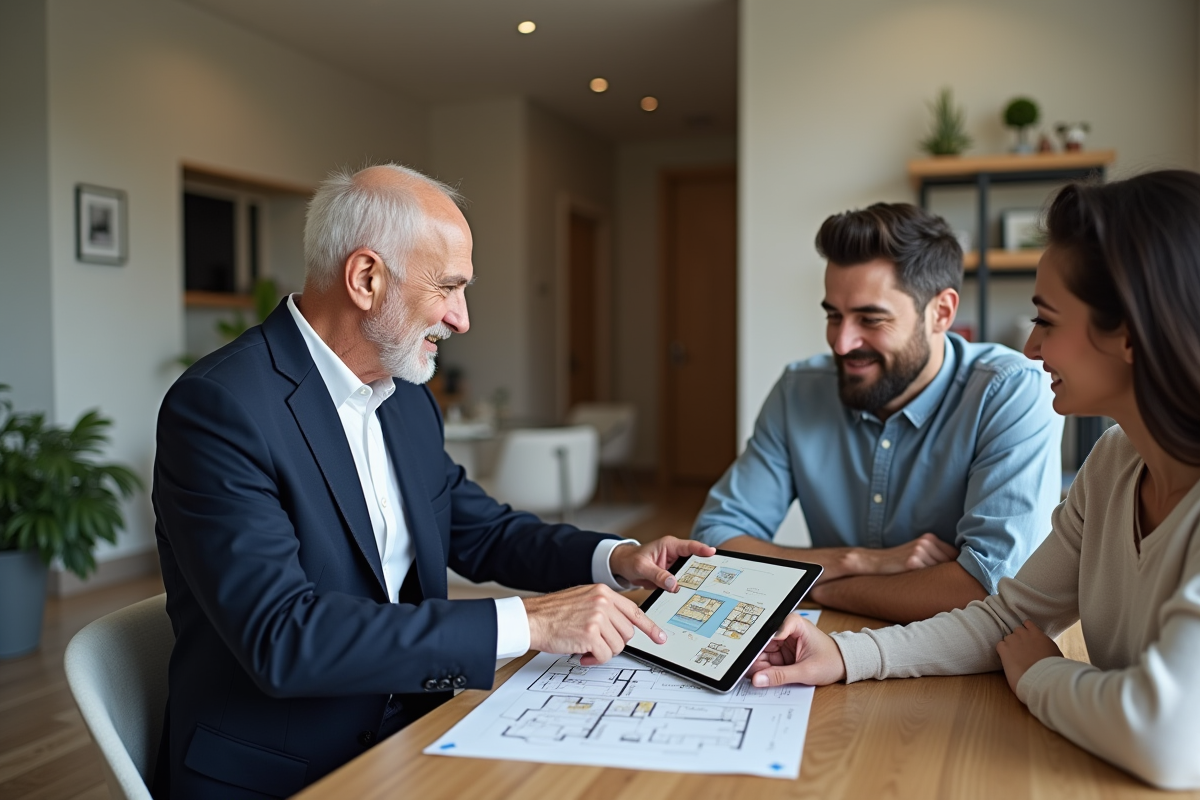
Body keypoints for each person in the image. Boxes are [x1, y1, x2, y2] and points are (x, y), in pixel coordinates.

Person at [151, 163, 713, 799]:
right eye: (448, 287)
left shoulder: (406, 400)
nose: (462, 319)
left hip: (415, 730)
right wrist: (527, 622)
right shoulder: (219, 407)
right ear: (366, 278)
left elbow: (479, 529)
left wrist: (615, 559)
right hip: (283, 770)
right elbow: (283, 636)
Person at [748, 170, 1200, 790]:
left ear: (1127, 332)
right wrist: (847, 654)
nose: (1032, 348)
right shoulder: (1114, 462)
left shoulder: (1013, 393)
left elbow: (1167, 740)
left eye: (1046, 320)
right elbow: (1006, 619)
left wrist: (1041, 674)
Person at [691, 203, 1062, 622]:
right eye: (834, 316)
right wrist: (855, 560)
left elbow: (988, 589)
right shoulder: (799, 390)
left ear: (941, 312)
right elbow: (714, 543)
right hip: (824, 640)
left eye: (870, 319)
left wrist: (818, 585)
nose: (842, 343)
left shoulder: (1011, 390)